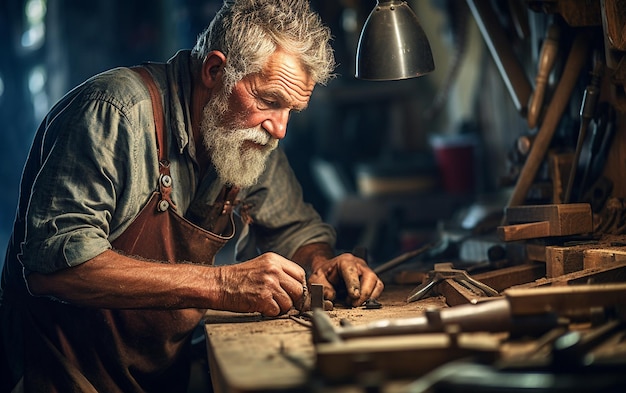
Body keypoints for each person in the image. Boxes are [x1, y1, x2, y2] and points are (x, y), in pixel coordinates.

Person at [0, 0, 384, 391]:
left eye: (291, 109)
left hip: (161, 375)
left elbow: (294, 230)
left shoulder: (245, 135)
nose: (280, 128)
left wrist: (322, 262)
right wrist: (223, 285)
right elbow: (54, 269)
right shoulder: (114, 112)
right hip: (63, 373)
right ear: (215, 70)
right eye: (269, 101)